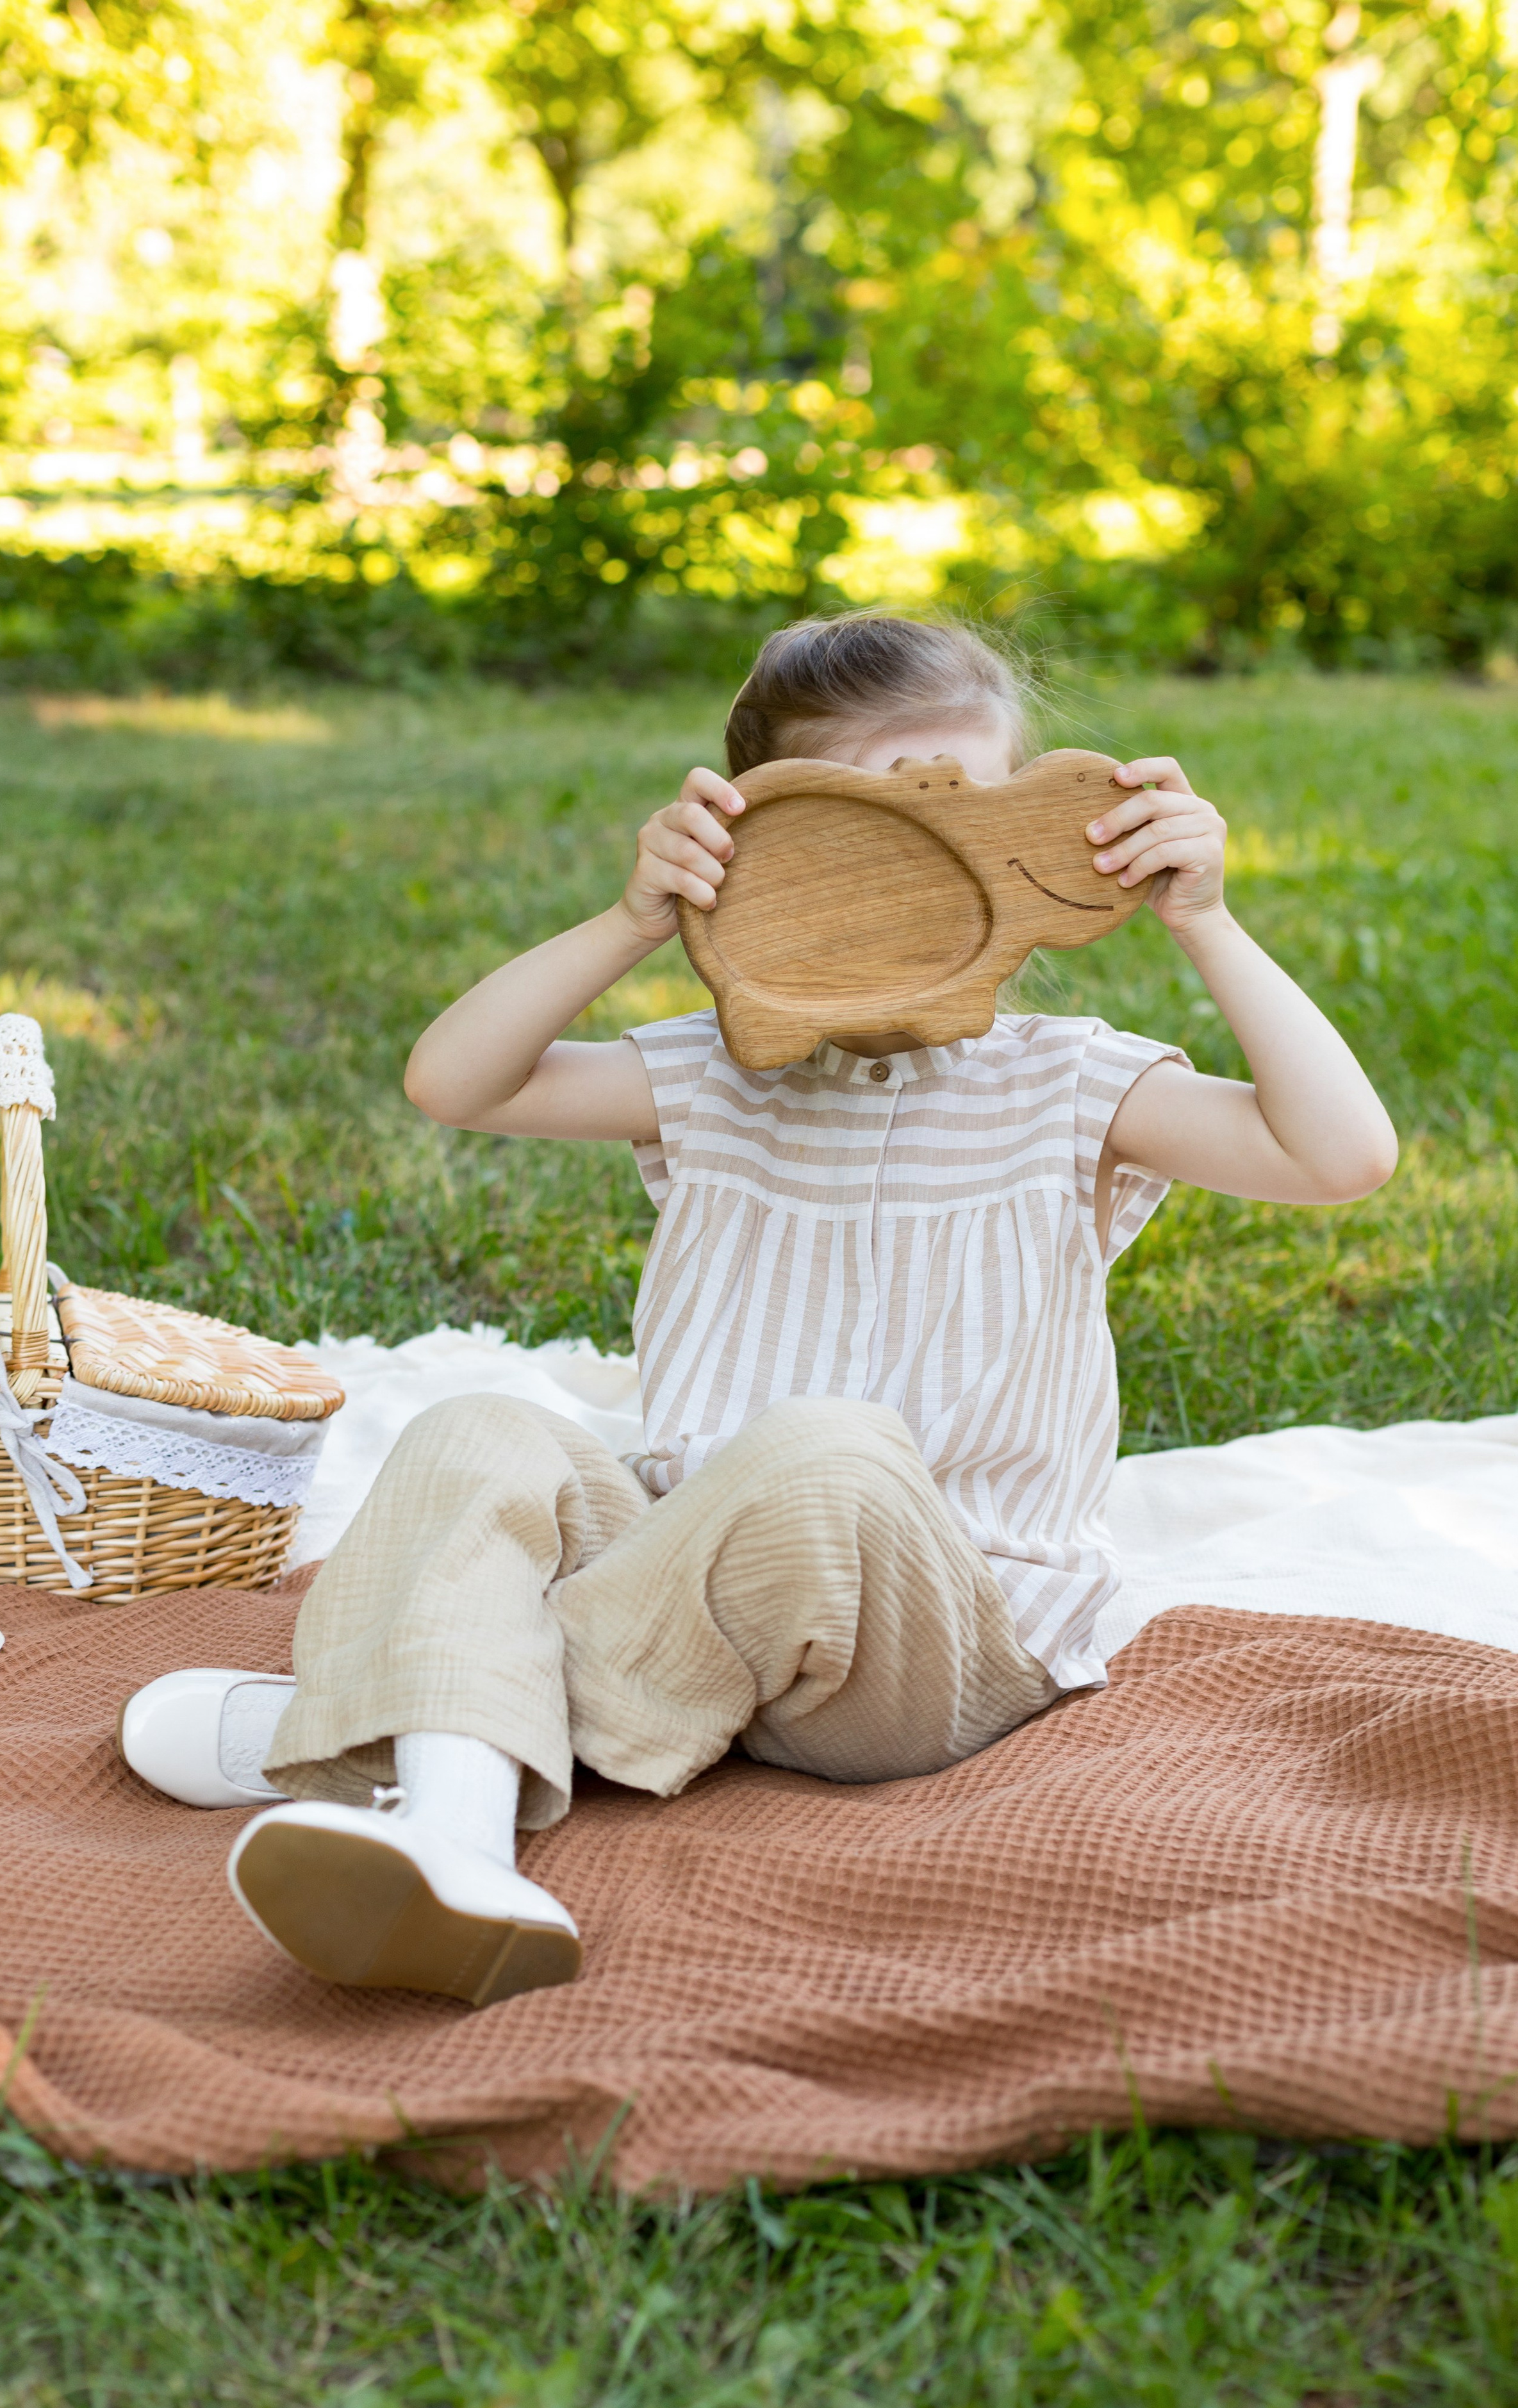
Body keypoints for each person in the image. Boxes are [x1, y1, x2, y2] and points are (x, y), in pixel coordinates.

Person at [119, 610, 1398, 2008]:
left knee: (827, 1447)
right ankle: (449, 1834)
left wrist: (1202, 920)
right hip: (685, 1569)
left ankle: (374, 1726)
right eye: (859, 831)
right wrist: (630, 919)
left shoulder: (1068, 1083)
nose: (918, 867)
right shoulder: (717, 1079)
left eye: (967, 815)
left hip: (932, 1631)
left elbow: (1337, 1157)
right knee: (478, 1430)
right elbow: (457, 1082)